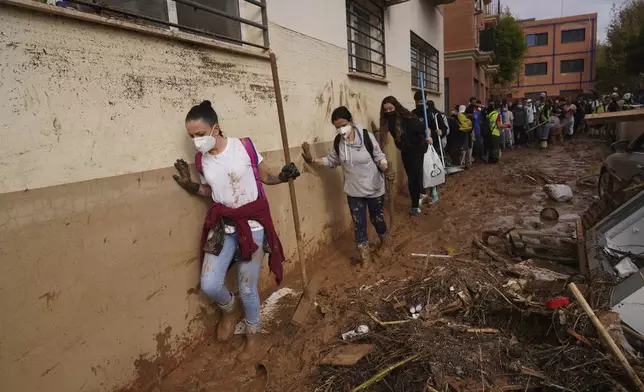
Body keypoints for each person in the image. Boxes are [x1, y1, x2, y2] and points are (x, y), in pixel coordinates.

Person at [172, 100, 300, 358]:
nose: (196, 141)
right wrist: (192, 186)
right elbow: (211, 191)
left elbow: (266, 176)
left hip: (252, 227)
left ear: (215, 129)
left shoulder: (244, 147)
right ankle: (229, 310)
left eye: (199, 135)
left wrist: (284, 176)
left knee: (247, 287)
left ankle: (253, 336)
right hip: (223, 227)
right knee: (209, 283)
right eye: (191, 137)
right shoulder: (201, 160)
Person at [301, 106, 391, 264]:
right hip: (354, 191)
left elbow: (379, 156)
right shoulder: (339, 143)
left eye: (343, 125)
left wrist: (385, 166)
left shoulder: (366, 137)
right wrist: (312, 160)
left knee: (377, 219)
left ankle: (385, 242)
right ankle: (365, 260)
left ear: (350, 121)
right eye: (337, 127)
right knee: (359, 224)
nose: (341, 130)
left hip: (374, 187)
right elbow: (332, 160)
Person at [380, 96, 430, 216]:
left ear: (395, 107)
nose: (388, 112)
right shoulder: (388, 121)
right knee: (412, 176)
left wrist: (429, 136)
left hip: (417, 149)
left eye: (390, 109)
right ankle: (419, 194)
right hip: (405, 151)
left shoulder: (408, 118)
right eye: (385, 110)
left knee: (413, 177)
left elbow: (425, 129)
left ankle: (414, 205)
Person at [412, 93, 444, 203]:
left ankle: (434, 190)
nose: (419, 105)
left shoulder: (434, 113)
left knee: (432, 168)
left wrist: (440, 132)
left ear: (426, 100)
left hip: (432, 146)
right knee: (421, 170)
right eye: (417, 103)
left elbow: (443, 127)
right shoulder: (414, 114)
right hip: (419, 146)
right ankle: (423, 193)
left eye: (421, 102)